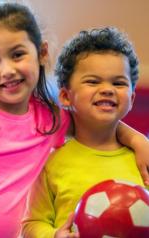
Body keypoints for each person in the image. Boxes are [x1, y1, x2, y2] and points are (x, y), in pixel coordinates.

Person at [0, 3, 149, 238]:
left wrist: (138, 140)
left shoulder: (50, 119)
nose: (7, 69)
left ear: (41, 53)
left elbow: (95, 121)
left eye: (17, 54)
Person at [22, 27, 148, 238]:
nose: (107, 89)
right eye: (93, 81)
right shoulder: (51, 162)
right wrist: (54, 235)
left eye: (118, 83)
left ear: (132, 99)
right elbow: (31, 224)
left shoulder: (142, 158)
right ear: (65, 96)